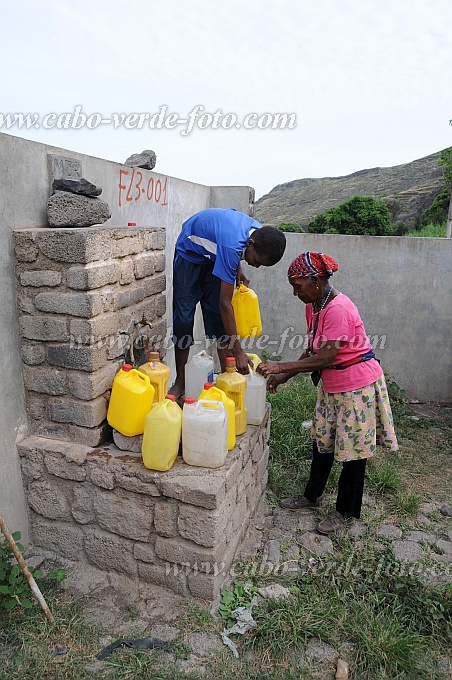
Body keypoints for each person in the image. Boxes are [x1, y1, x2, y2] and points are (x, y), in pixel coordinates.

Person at [257, 251, 398, 535]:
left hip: (356, 387)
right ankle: (312, 497)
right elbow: (313, 350)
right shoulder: (315, 305)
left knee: (354, 453)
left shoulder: (338, 309)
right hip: (332, 386)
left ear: (318, 280)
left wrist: (280, 365)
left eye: (299, 286)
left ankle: (346, 512)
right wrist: (284, 376)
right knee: (322, 442)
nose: (296, 293)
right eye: (293, 287)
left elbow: (328, 357)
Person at [169, 207, 286, 401]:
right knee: (183, 318)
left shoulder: (257, 233)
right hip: (189, 255)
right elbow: (225, 303)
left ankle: (226, 378)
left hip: (214, 258)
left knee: (218, 321)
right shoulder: (233, 245)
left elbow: (231, 245)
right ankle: (180, 381)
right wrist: (238, 351)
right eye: (256, 261)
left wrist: (236, 266)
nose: (255, 266)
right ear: (251, 244)